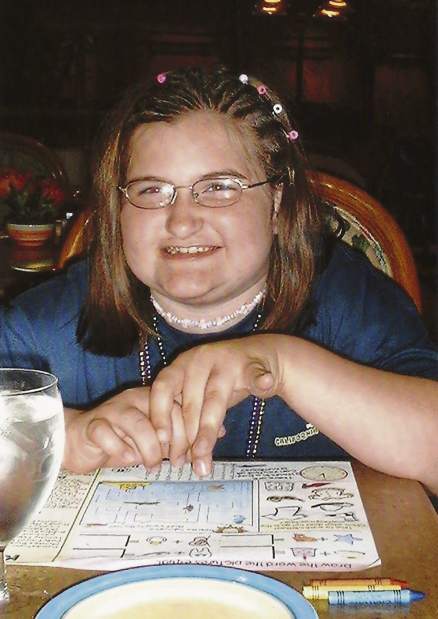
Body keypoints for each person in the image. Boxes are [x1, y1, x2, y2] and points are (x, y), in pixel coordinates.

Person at [1, 66, 437, 494]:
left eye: (218, 187)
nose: (182, 222)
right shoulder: (48, 325)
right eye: (152, 190)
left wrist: (282, 366)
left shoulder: (350, 301)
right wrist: (63, 437)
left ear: (276, 202)